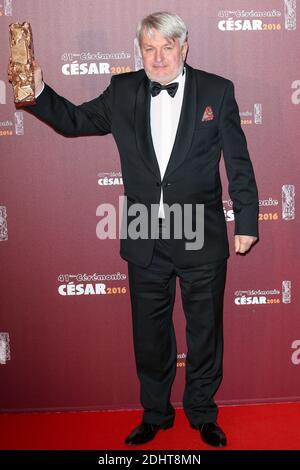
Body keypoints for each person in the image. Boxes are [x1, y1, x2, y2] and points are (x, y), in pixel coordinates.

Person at [8, 11, 258, 447]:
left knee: (205, 332)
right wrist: (37, 89)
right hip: (145, 236)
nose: (158, 57)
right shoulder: (123, 91)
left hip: (202, 233)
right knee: (150, 335)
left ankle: (201, 412)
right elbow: (74, 121)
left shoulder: (218, 90)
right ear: (138, 51)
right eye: (149, 48)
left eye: (167, 47)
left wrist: (247, 220)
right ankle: (155, 413)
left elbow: (238, 162)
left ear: (184, 46)